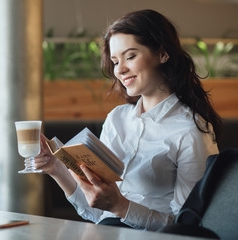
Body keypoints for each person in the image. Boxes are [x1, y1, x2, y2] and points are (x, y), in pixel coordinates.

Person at [35, 9, 222, 231]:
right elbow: (98, 211)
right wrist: (55, 167)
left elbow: (189, 226)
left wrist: (122, 207)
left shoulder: (191, 130)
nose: (120, 70)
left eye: (130, 56)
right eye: (115, 61)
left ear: (162, 54)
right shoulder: (117, 118)